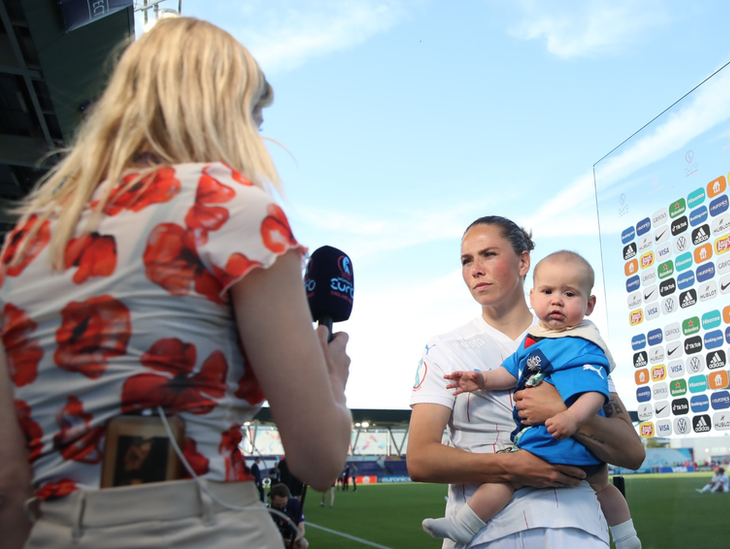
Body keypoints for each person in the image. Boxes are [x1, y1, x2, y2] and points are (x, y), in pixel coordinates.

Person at [0, 17, 352, 548]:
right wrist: (333, 383)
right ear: (221, 111)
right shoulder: (232, 207)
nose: (257, 134)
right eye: (253, 116)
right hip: (209, 527)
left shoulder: (25, 244)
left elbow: (8, 485)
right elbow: (320, 459)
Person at [407, 216, 646, 549]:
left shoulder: (577, 340)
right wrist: (511, 467)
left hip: (579, 534)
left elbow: (632, 453)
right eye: (466, 260)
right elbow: (420, 460)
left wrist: (565, 413)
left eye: (488, 254)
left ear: (523, 261)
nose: (475, 269)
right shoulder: (445, 349)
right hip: (484, 537)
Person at [268, 483, 309, 549]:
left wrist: (294, 539)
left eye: (284, 504)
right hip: (273, 537)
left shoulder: (295, 504)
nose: (281, 507)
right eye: (278, 505)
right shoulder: (268, 510)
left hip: (290, 536)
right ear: (272, 500)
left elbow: (301, 529)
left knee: (303, 544)